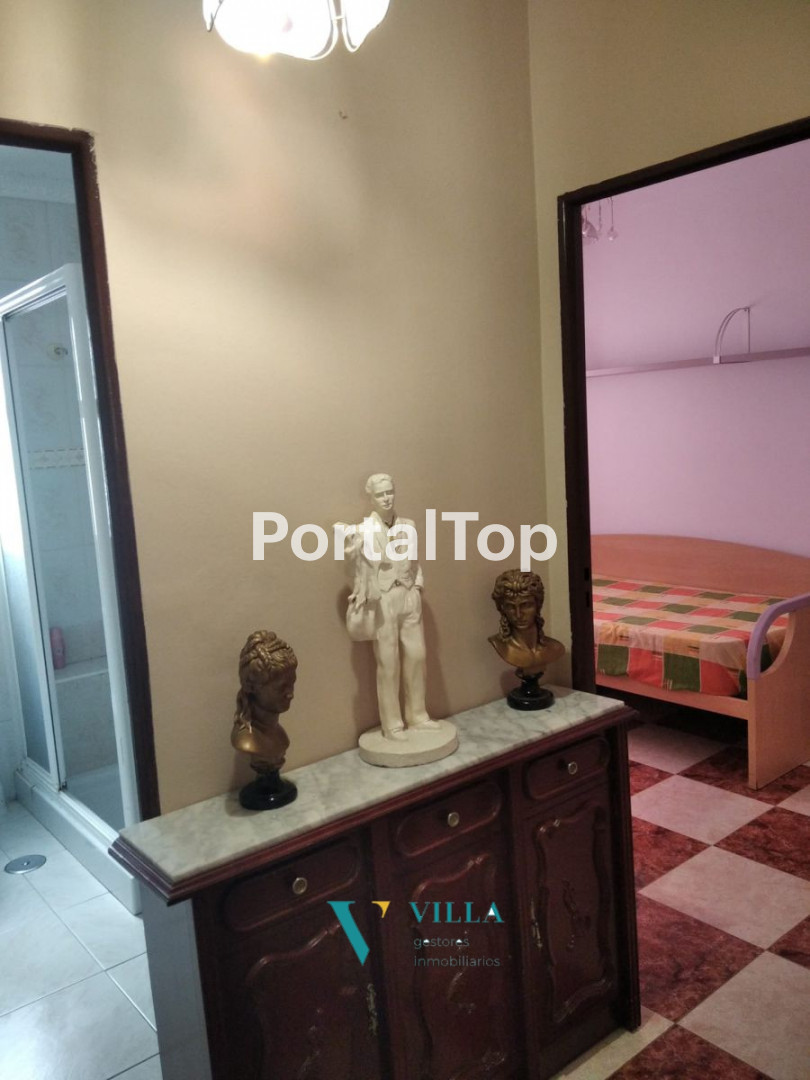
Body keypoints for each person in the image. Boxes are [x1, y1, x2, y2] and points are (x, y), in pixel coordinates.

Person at [345, 474, 438, 740]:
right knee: (388, 663)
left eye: (390, 492)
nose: (386, 498)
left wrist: (417, 585)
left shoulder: (408, 525)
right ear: (371, 498)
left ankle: (417, 715)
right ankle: (392, 724)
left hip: (409, 595)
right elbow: (353, 568)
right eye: (380, 494)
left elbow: (415, 561)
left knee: (417, 656)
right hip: (383, 599)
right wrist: (353, 547)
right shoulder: (362, 530)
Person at [231, 630, 298, 772]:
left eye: (292, 684)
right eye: (281, 687)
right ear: (251, 686)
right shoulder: (246, 740)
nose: (290, 694)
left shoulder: (277, 732)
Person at [489, 569, 564, 676]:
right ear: (502, 609)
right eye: (511, 607)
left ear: (538, 605)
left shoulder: (555, 647)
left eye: (526, 605)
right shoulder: (500, 645)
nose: (518, 614)